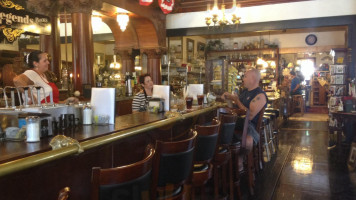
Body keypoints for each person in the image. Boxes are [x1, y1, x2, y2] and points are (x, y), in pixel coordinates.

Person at [13, 50, 78, 104]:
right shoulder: (31, 73)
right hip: (37, 114)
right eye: (45, 61)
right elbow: (17, 80)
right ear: (35, 63)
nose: (48, 62)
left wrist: (65, 101)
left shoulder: (43, 75)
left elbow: (49, 102)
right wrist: (33, 98)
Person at [222, 68, 267, 144]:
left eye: (245, 77)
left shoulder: (260, 95)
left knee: (222, 124)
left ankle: (231, 150)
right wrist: (228, 99)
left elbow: (250, 116)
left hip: (249, 126)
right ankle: (226, 151)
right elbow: (235, 108)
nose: (243, 79)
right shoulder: (245, 92)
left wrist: (236, 100)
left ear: (252, 79)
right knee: (219, 122)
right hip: (238, 122)